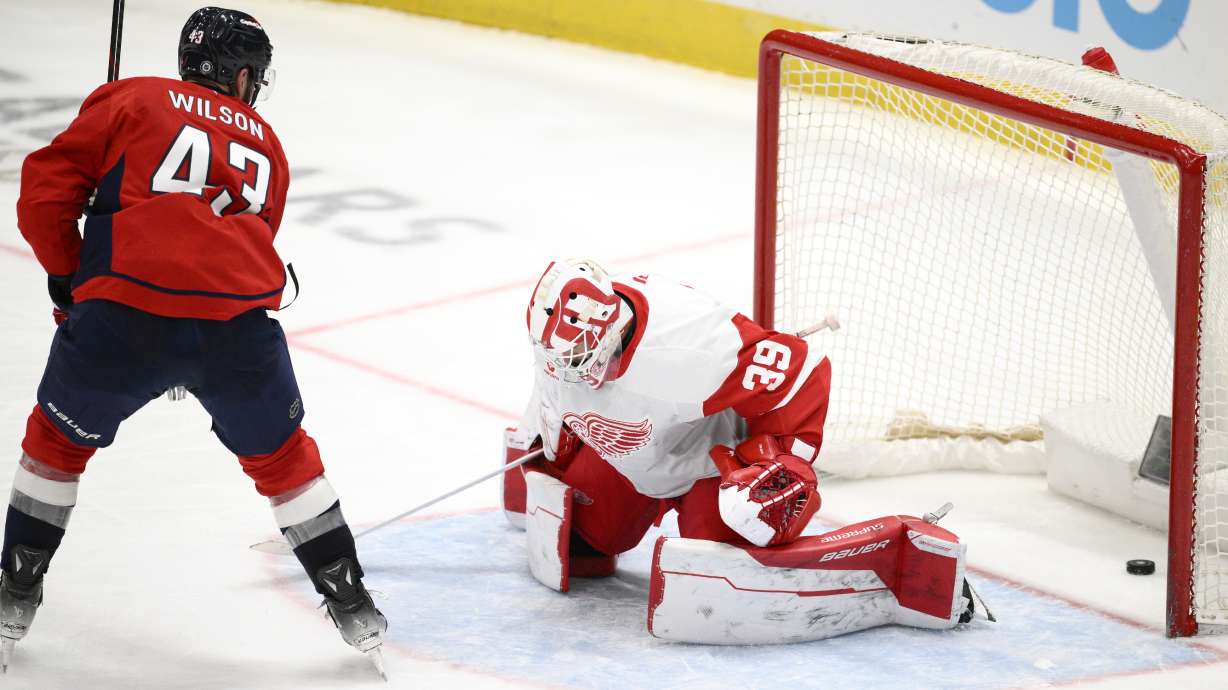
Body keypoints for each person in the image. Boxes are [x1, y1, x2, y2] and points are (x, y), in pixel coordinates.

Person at [5, 6, 385, 671]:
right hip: (237, 330)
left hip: (124, 316)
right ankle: (352, 602)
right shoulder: (267, 142)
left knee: (56, 443)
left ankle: (13, 592)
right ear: (241, 76)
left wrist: (71, 276)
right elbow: (240, 241)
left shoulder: (133, 98)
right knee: (285, 459)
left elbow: (42, 194)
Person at [503, 258, 978, 643]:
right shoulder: (567, 342)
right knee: (585, 543)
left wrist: (785, 465)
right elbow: (555, 384)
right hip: (639, 459)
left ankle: (886, 559)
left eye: (583, 361)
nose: (573, 375)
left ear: (613, 332)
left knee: (715, 562)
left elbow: (804, 369)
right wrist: (542, 441)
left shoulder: (691, 345)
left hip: (714, 465)